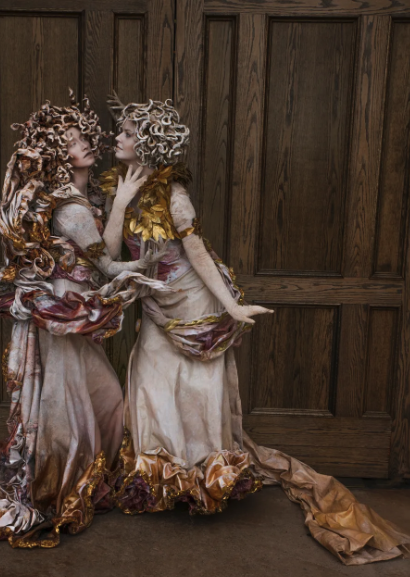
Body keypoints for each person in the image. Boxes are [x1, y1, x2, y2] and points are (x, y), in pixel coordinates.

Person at [100, 94, 410, 565]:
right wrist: (120, 203)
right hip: (156, 302)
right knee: (149, 381)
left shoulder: (174, 195)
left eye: (125, 133)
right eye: (120, 130)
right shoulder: (119, 187)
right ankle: (162, 478)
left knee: (196, 389)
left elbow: (197, 254)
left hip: (194, 302)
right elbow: (107, 254)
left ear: (146, 143)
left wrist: (231, 305)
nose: (117, 138)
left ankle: (202, 477)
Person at [0, 91, 168, 548]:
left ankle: (88, 480)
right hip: (61, 317)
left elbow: (104, 263)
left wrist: (129, 225)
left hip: (76, 316)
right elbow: (107, 262)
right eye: (70, 141)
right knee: (68, 409)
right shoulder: (70, 209)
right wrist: (137, 241)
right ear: (56, 153)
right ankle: (59, 488)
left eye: (83, 136)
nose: (84, 144)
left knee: (105, 401)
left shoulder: (84, 196)